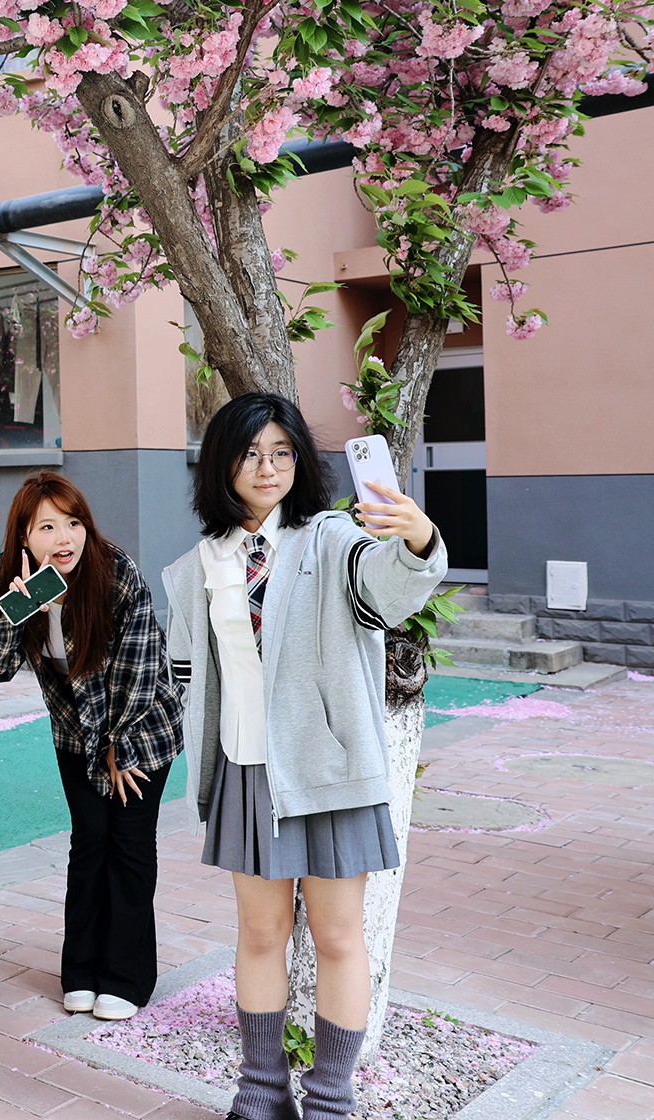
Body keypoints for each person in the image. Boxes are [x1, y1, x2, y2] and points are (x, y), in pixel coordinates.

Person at [164, 393, 446, 1120]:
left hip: (328, 772)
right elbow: (190, 676)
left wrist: (417, 540)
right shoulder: (197, 566)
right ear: (221, 465)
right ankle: (260, 1094)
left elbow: (390, 588)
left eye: (282, 452)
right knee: (261, 933)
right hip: (247, 770)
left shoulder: (332, 540)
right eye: (250, 453)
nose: (268, 468)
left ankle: (329, 1102)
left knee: (338, 936)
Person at [0, 473, 183, 1023]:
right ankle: (81, 971)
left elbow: (139, 667)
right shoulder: (14, 582)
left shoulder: (115, 571)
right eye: (48, 527)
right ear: (24, 536)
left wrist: (118, 748)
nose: (64, 538)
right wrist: (13, 611)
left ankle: (126, 977)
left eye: (73, 522)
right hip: (75, 734)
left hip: (140, 729)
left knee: (129, 846)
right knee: (89, 843)